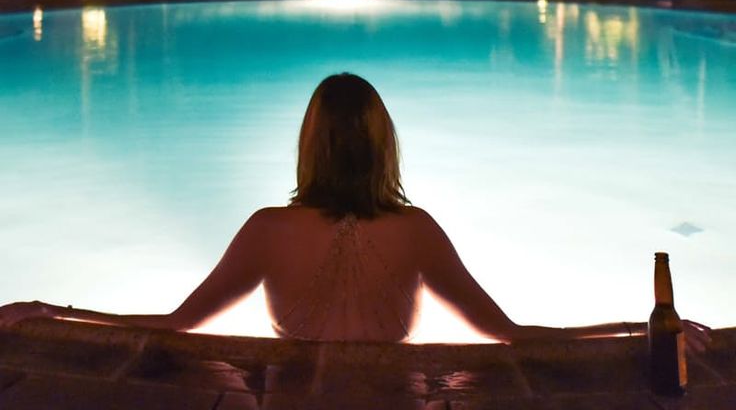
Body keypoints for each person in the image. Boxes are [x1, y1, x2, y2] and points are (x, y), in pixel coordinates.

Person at [0, 73, 712, 349]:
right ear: (383, 147)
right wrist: (637, 328)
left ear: (308, 145)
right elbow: (514, 335)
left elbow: (172, 324)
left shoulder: (267, 231)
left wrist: (51, 311)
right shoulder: (416, 233)